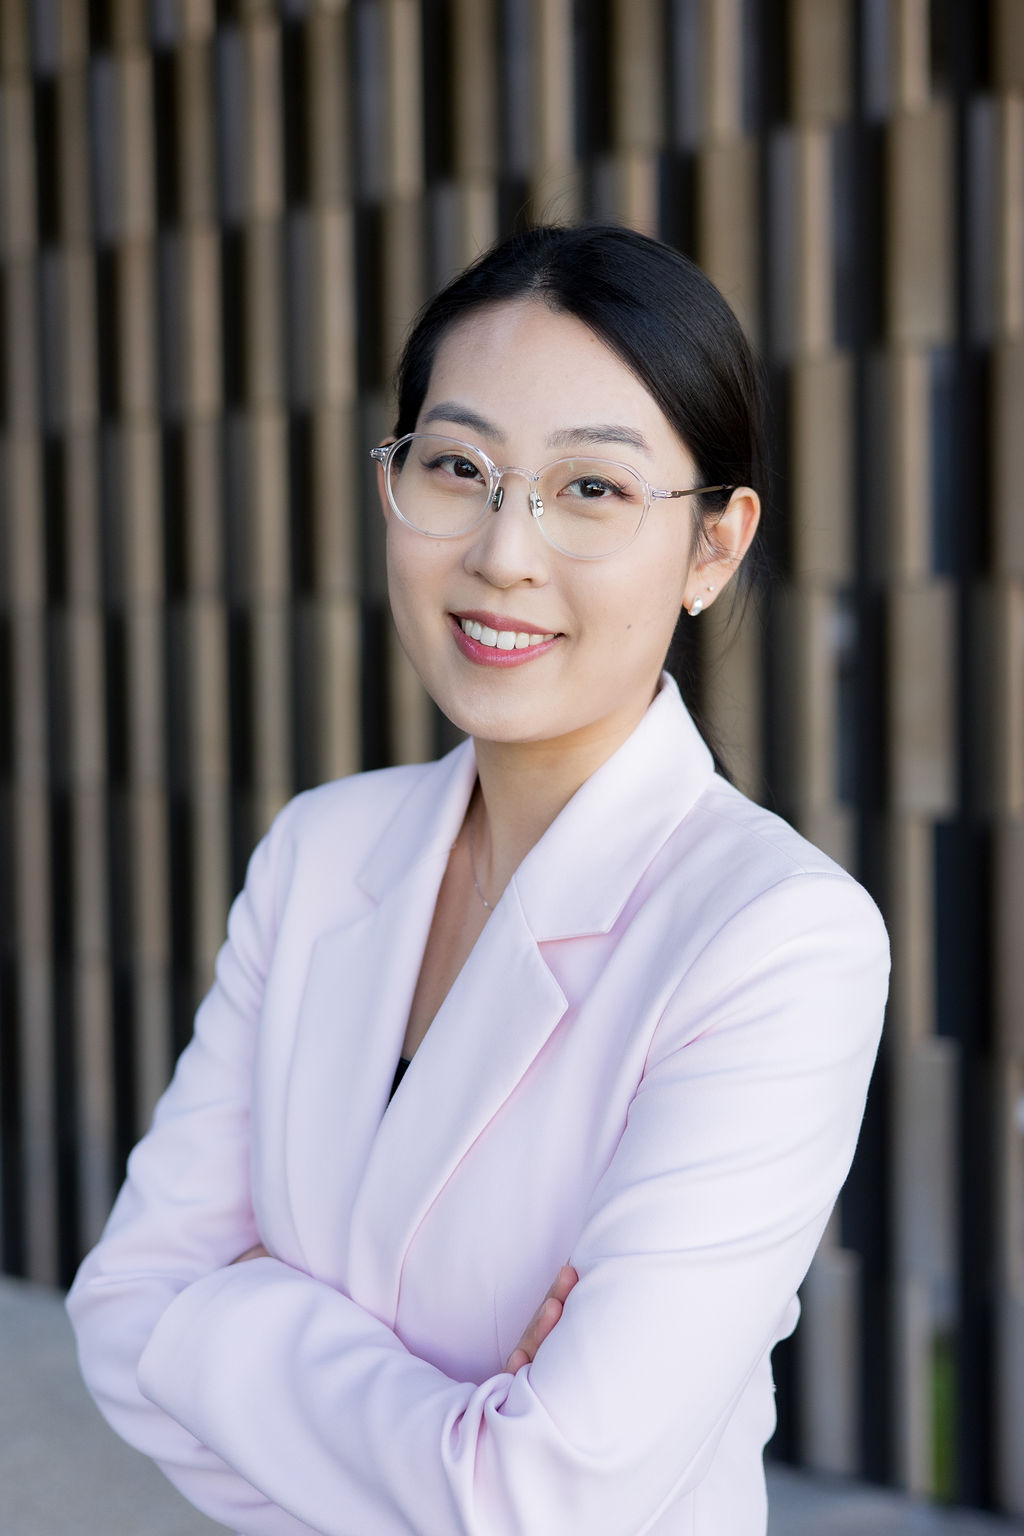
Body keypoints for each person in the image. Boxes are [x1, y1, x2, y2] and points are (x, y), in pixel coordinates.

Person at [67, 223, 889, 1536]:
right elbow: (118, 1317)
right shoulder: (321, 854)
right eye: (457, 467)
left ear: (716, 548)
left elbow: (546, 1497)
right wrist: (453, 1432)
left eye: (592, 490)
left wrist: (232, 1320)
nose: (505, 551)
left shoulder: (777, 938)